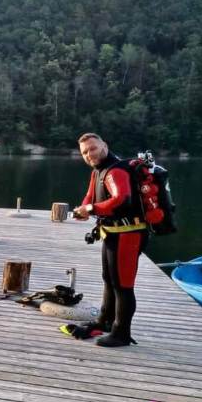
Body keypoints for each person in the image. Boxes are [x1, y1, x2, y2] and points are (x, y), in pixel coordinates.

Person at [72, 133, 149, 347]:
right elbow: (90, 196)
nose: (89, 155)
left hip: (129, 234)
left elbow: (121, 199)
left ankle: (121, 333)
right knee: (109, 278)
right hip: (112, 232)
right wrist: (82, 209)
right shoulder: (98, 171)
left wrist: (91, 209)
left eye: (93, 149)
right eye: (85, 152)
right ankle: (104, 321)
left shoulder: (115, 170)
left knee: (123, 285)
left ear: (104, 145)